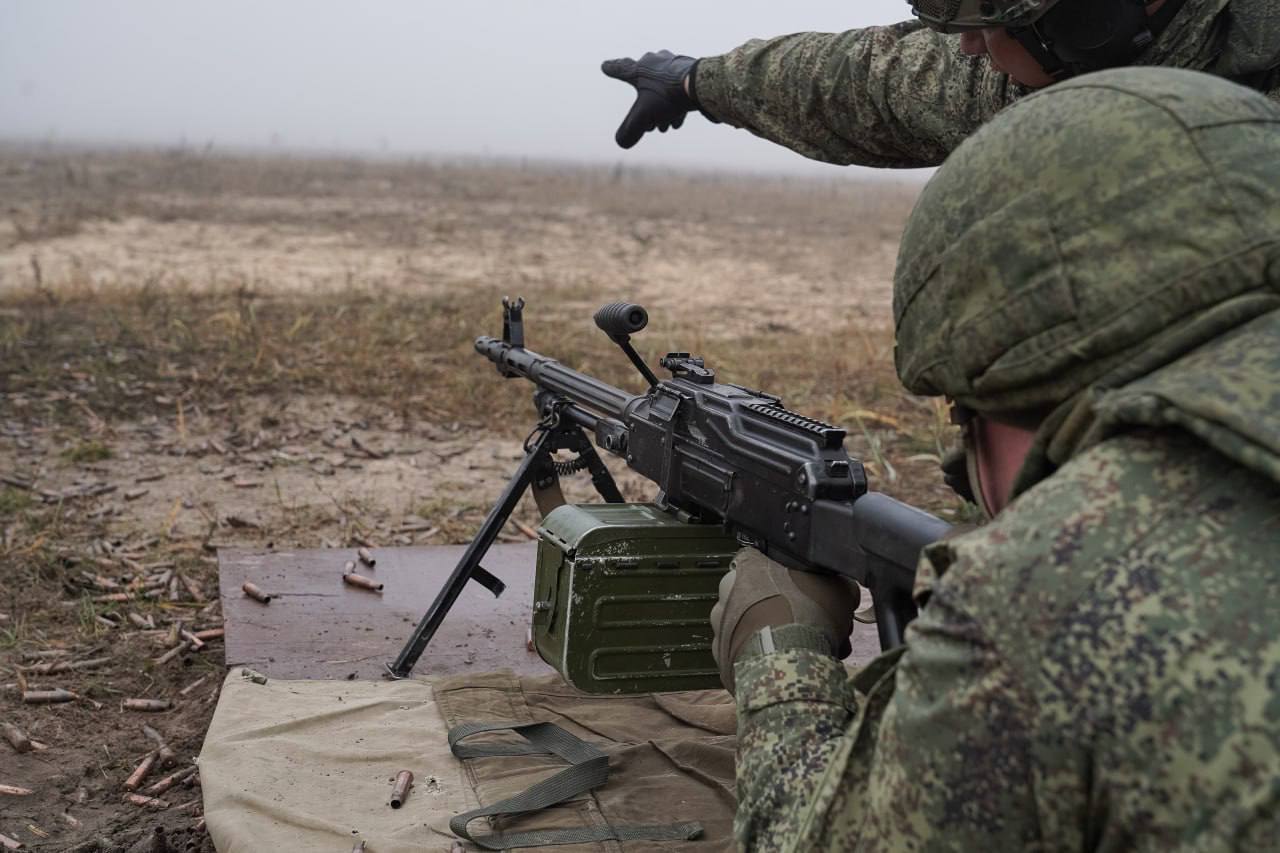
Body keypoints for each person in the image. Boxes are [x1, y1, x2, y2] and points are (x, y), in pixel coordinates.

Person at [709, 66, 1280, 850]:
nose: (964, 456)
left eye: (964, 410)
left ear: (1023, 375)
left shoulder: (1039, 597)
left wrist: (777, 652)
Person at [601, 0, 1280, 167]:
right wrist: (695, 81)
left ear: (1088, 20)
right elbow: (861, 82)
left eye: (987, 26)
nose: (968, 49)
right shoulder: (1053, 68)